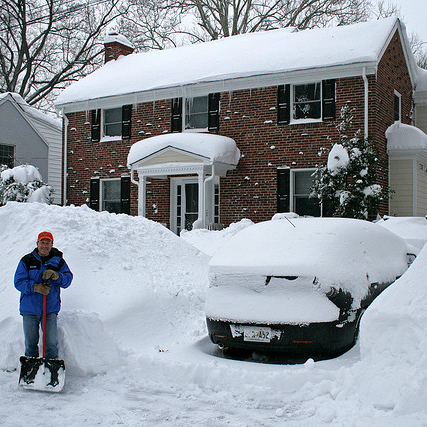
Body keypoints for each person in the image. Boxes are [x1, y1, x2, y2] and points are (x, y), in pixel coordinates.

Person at [14, 231, 73, 360]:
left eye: (48, 243)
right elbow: (18, 282)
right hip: (30, 309)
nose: (45, 246)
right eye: (42, 242)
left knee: (51, 343)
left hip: (50, 309)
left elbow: (68, 279)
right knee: (30, 344)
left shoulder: (58, 261)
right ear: (37, 243)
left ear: (52, 244)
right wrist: (35, 287)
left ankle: (51, 368)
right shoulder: (27, 260)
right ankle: (31, 369)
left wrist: (57, 276)